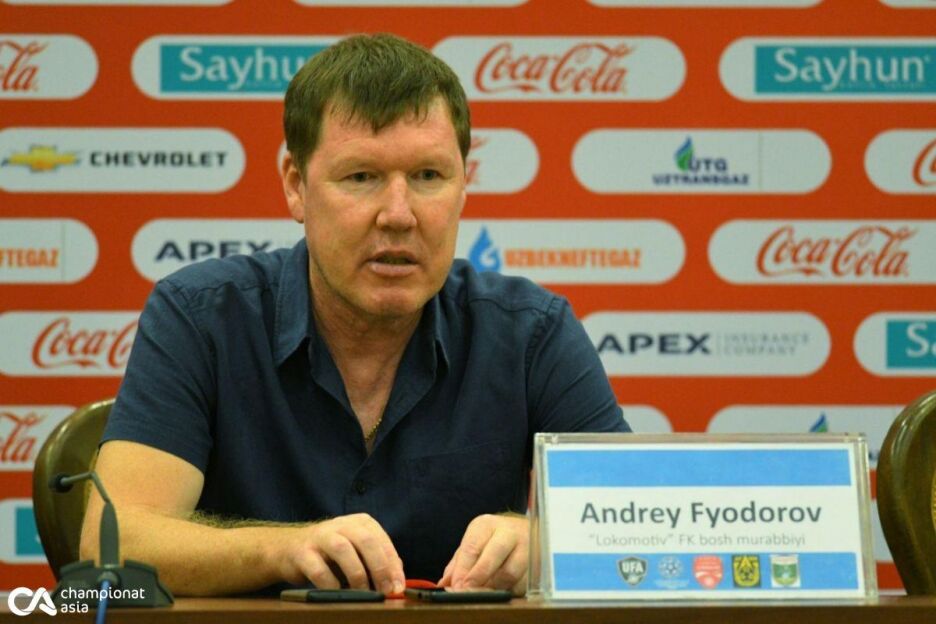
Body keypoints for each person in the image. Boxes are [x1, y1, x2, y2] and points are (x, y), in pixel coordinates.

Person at [80, 33, 629, 598]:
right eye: (361, 177)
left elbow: (642, 528)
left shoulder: (531, 331)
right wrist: (282, 549)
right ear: (297, 187)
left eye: (429, 176)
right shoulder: (202, 317)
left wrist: (539, 541)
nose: (398, 215)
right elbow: (113, 544)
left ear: (463, 186)